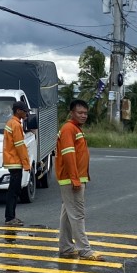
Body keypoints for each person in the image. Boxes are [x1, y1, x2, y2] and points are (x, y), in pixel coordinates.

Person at [56, 99, 100, 260]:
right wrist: (75, 179)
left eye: (85, 113)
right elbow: (68, 156)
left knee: (68, 215)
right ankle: (85, 250)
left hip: (73, 179)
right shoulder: (69, 129)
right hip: (71, 180)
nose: (83, 116)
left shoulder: (75, 129)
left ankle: (66, 247)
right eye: (80, 112)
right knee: (78, 214)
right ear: (71, 113)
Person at [2, 98, 31, 227]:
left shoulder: (10, 123)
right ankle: (10, 217)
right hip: (15, 162)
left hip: (11, 161)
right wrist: (26, 164)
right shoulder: (16, 125)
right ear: (18, 111)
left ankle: (10, 216)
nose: (26, 114)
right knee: (14, 191)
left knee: (12, 190)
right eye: (25, 111)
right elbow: (20, 146)